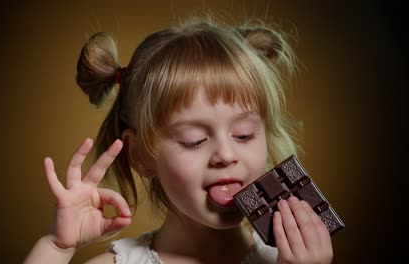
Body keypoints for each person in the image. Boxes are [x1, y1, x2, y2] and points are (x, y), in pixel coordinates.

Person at [25, 16, 333, 264]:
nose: (226, 154)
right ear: (141, 155)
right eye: (194, 140)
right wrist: (56, 247)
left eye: (244, 135)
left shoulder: (294, 259)